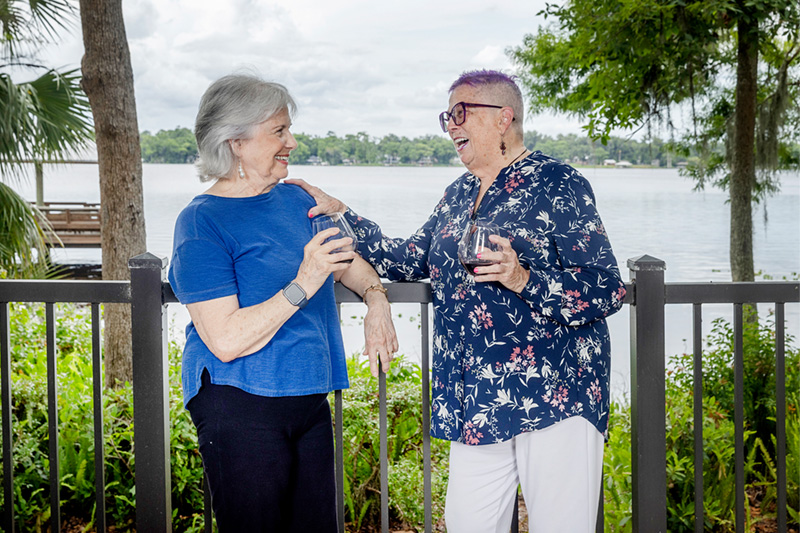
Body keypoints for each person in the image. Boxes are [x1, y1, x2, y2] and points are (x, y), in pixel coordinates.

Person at [287, 69, 627, 532]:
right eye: (446, 116)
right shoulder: (458, 194)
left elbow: (606, 288)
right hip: (477, 400)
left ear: (504, 117)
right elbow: (407, 259)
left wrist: (523, 277)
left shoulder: (557, 183)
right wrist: (342, 213)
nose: (451, 125)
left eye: (461, 113)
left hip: (555, 397)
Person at [168, 73, 398, 532]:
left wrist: (377, 301)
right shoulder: (200, 222)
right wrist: (305, 281)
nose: (291, 142)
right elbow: (227, 339)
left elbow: (349, 263)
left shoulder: (298, 200)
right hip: (238, 404)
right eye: (278, 131)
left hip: (309, 398)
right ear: (236, 141)